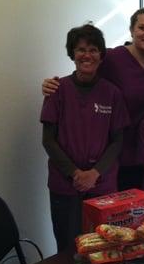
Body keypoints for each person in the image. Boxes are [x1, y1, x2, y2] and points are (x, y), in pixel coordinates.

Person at [42, 8, 144, 190]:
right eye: (142, 28)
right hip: (117, 155)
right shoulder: (112, 58)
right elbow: (85, 65)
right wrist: (52, 85)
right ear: (131, 30)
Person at [40, 24, 127, 252]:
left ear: (101, 55)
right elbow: (48, 140)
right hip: (65, 184)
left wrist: (95, 173)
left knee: (104, 246)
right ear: (72, 54)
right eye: (80, 49)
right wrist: (76, 173)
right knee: (67, 247)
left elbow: (118, 140)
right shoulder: (57, 90)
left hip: (102, 185)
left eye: (93, 49)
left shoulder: (112, 93)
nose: (87, 55)